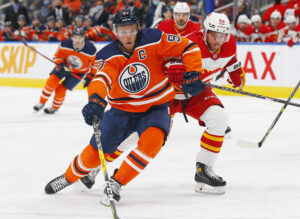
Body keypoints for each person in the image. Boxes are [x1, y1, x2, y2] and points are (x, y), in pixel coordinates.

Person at [44, 10, 203, 203]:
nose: (127, 35)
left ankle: (116, 183)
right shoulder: (107, 55)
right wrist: (95, 100)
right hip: (122, 111)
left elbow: (189, 47)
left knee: (153, 142)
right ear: (115, 31)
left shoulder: (154, 38)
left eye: (131, 30)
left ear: (137, 29)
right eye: (122, 31)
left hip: (157, 106)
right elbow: (101, 80)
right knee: (95, 154)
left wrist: (194, 72)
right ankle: (68, 177)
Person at [164, 12, 246, 194]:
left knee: (219, 119)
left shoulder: (228, 44)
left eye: (222, 35)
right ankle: (97, 164)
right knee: (142, 135)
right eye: (214, 34)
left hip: (196, 94)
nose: (218, 40)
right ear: (205, 32)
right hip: (167, 93)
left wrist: (236, 76)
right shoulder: (188, 43)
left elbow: (231, 61)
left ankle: (204, 169)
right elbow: (163, 64)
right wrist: (181, 79)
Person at [33, 28, 97, 114]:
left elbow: (95, 65)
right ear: (72, 37)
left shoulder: (91, 49)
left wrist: (90, 76)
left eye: (80, 37)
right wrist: (60, 62)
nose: (77, 40)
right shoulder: (65, 44)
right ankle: (41, 102)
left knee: (61, 89)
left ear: (83, 38)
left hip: (79, 72)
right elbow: (57, 56)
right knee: (51, 81)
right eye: (75, 37)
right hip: (64, 66)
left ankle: (54, 107)